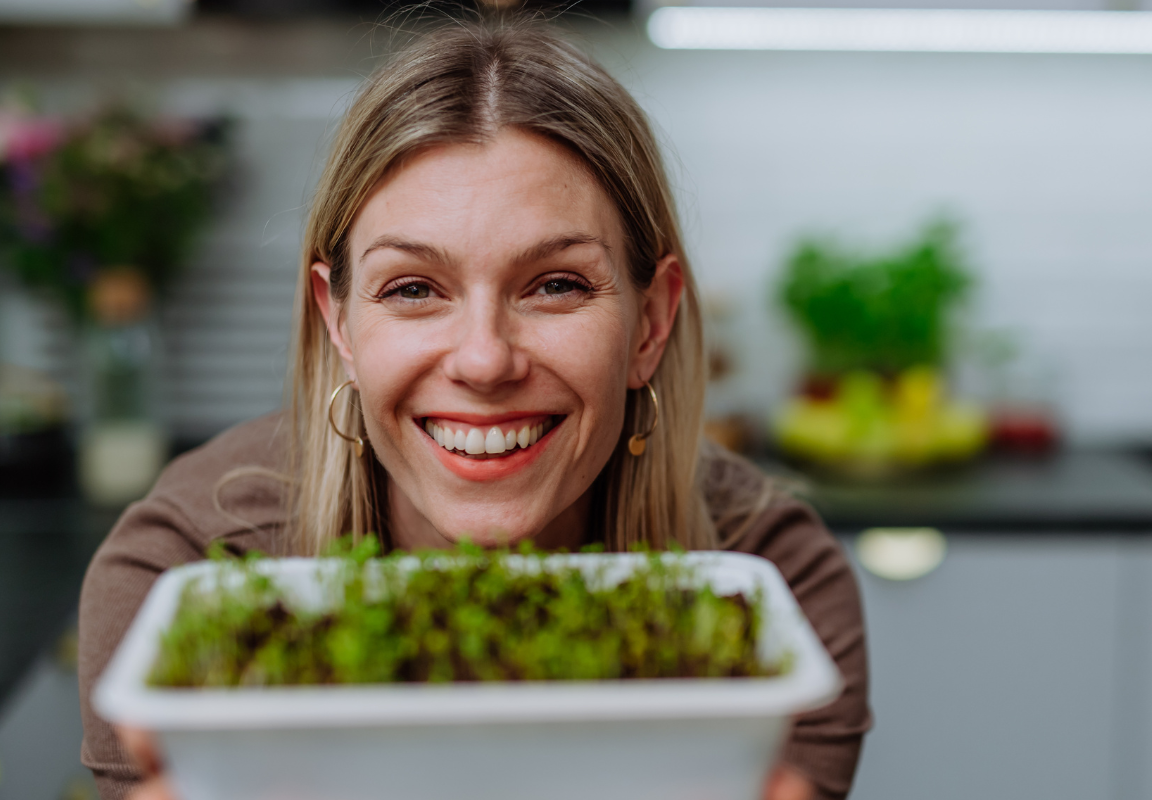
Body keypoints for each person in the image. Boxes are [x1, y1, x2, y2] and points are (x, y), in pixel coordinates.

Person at [77, 19, 870, 800]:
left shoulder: (773, 597)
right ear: (338, 320)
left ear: (651, 323)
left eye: (556, 284)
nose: (485, 360)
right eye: (413, 289)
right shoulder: (186, 578)